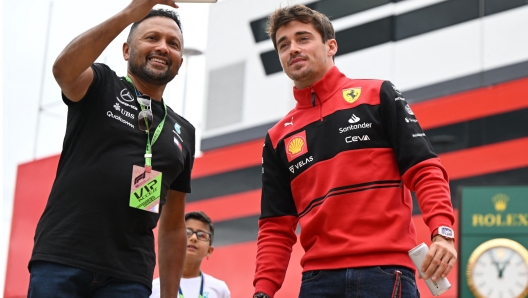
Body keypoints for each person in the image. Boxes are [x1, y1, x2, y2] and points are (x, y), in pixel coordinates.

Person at [252, 4, 457, 298]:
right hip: (316, 283)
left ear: (330, 45)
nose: (293, 49)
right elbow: (276, 226)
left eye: (303, 38)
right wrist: (263, 291)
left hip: (386, 273)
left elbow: (425, 170)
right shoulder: (277, 137)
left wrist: (442, 232)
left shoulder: (378, 94)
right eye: (284, 45)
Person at [28, 1, 195, 297]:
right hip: (62, 258)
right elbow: (63, 70)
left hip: (129, 275)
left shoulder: (184, 131)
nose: (162, 47)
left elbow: (172, 226)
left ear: (180, 61)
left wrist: (170, 295)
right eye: (151, 38)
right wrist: (129, 14)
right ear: (127, 51)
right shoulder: (101, 83)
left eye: (173, 43)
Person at [150, 211, 231, 298]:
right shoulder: (153, 289)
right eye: (187, 232)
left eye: (202, 235)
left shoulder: (220, 289)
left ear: (209, 250)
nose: (194, 238)